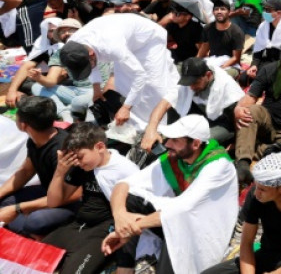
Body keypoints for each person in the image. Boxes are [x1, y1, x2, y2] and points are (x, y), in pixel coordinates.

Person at [103, 115, 239, 274]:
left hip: (202, 229)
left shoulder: (218, 165)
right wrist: (120, 217)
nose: (167, 144)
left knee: (175, 229)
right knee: (130, 200)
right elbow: (123, 185)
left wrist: (134, 227)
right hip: (178, 218)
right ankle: (124, 269)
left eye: (175, 140)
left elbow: (183, 208)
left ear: (195, 143)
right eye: (169, 139)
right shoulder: (176, 158)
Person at [202, 153, 281, 274]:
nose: (256, 193)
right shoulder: (256, 195)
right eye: (257, 187)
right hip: (267, 255)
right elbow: (246, 243)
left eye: (262, 189)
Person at [42, 123, 139, 274]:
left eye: (81, 157)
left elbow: (135, 211)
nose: (79, 163)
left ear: (99, 147)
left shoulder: (125, 170)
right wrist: (60, 172)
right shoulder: (83, 166)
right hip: (77, 225)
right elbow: (53, 202)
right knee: (32, 260)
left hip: (102, 231)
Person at [57, 13, 180, 132]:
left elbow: (140, 75)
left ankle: (162, 126)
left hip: (148, 39)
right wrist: (96, 89)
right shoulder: (72, 46)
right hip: (123, 39)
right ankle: (136, 125)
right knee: (123, 86)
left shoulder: (112, 46)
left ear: (91, 54)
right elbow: (91, 65)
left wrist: (126, 107)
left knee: (154, 85)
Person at [234, 38, 281, 183]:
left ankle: (258, 148)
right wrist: (238, 109)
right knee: (249, 111)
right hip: (268, 120)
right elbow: (251, 96)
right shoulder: (270, 70)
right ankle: (243, 163)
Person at [0, 96, 77, 235]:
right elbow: (25, 171)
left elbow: (71, 196)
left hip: (70, 202)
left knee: (35, 222)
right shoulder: (35, 140)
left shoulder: (63, 150)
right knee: (5, 202)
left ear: (23, 125)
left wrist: (18, 209)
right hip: (48, 192)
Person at [141, 57, 244, 150]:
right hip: (203, 115)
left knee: (196, 143)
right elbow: (164, 103)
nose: (191, 87)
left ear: (208, 75)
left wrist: (236, 144)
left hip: (223, 123)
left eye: (195, 83)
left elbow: (240, 118)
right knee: (173, 108)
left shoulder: (225, 87)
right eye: (189, 83)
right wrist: (151, 130)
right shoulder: (192, 84)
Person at [197, 0, 245, 74]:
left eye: (222, 9)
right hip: (212, 61)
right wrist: (195, 62)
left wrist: (219, 70)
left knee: (218, 78)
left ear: (229, 12)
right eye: (216, 9)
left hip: (230, 66)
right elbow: (205, 47)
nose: (219, 11)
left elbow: (235, 58)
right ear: (213, 12)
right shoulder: (208, 28)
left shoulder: (236, 32)